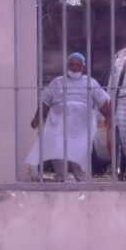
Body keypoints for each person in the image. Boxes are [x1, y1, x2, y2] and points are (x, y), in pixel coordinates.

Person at [26, 52, 112, 181]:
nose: (75, 67)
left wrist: (109, 117)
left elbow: (102, 101)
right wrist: (37, 117)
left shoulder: (90, 83)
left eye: (78, 65)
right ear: (67, 65)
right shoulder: (57, 82)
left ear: (83, 66)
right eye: (72, 64)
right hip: (59, 124)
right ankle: (61, 178)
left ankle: (82, 180)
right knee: (58, 151)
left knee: (81, 152)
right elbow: (45, 100)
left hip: (82, 126)